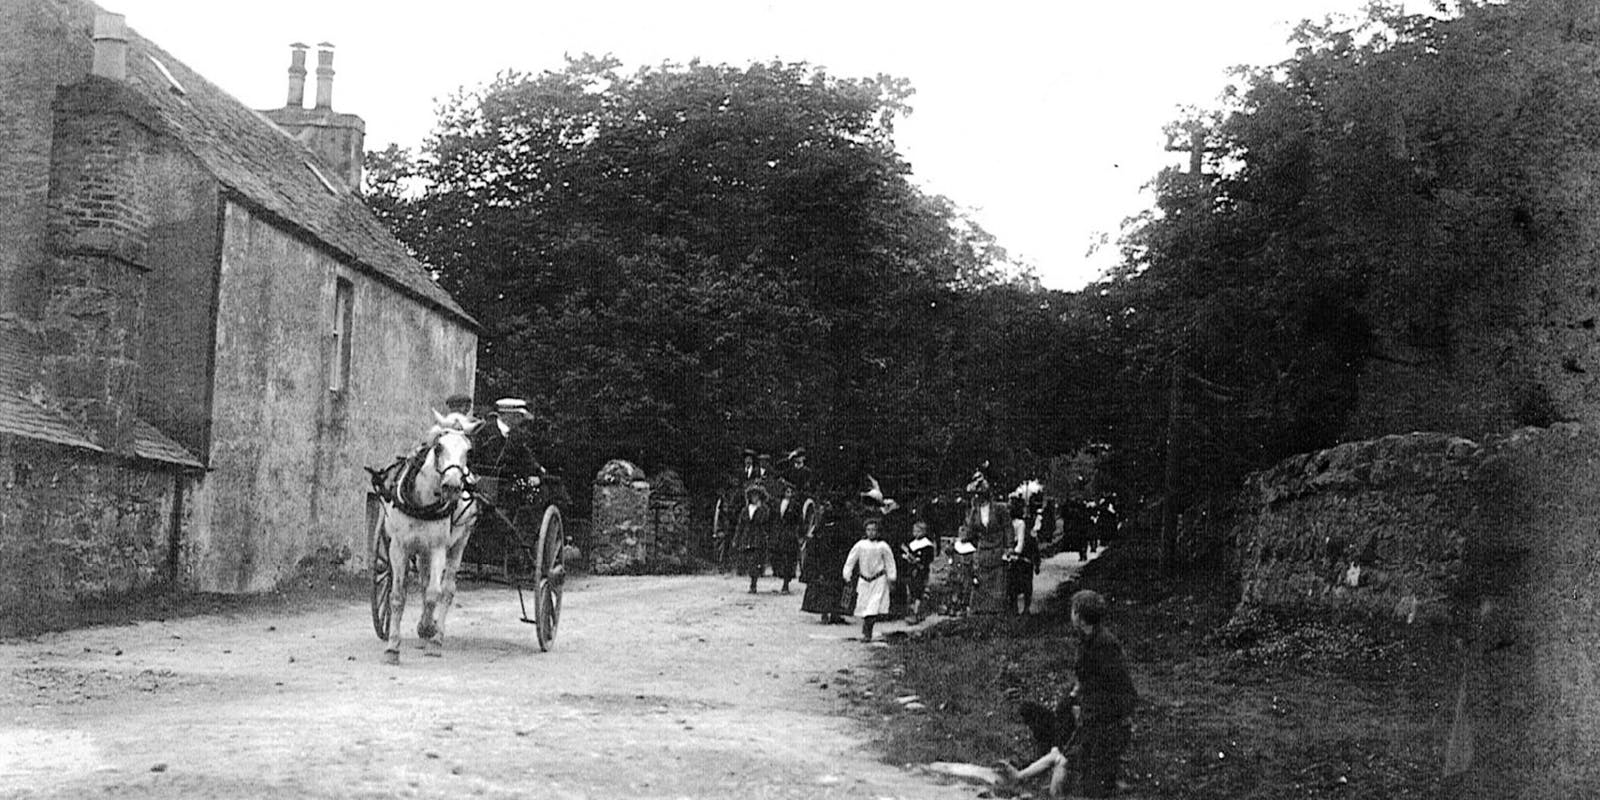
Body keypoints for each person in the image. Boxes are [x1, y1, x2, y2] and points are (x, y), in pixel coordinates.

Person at [998, 589, 1138, 798]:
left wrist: (1096, 712)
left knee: (1092, 783)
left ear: (1080, 617)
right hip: (1094, 719)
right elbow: (1087, 681)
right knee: (1071, 768)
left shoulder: (1104, 646)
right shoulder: (1089, 641)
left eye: (1073, 611)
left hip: (1107, 723)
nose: (1070, 615)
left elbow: (1118, 687)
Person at [964, 467, 1013, 616]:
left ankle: (997, 611)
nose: (978, 497)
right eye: (976, 495)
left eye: (980, 494)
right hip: (983, 550)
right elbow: (971, 532)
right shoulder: (975, 512)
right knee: (980, 580)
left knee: (997, 581)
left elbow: (1008, 528)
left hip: (997, 549)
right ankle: (980, 610)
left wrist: (1008, 547)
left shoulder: (999, 509)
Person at [800, 499, 857, 624]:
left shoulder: (836, 523)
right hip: (829, 559)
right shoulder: (828, 523)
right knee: (829, 586)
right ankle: (829, 612)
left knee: (833, 586)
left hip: (833, 559)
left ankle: (831, 612)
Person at [842, 517, 897, 643]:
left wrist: (892, 577)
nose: (871, 533)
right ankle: (865, 629)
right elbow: (851, 560)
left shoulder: (883, 546)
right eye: (868, 530)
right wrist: (847, 573)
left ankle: (868, 631)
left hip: (878, 580)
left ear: (878, 531)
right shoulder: (861, 545)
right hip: (864, 579)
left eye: (874, 530)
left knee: (874, 606)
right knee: (864, 605)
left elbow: (890, 562)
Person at [732, 483, 773, 593]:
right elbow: (740, 525)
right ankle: (751, 578)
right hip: (747, 537)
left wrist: (760, 509)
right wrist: (736, 539)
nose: (754, 498)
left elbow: (764, 521)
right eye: (752, 496)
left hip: (758, 537)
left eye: (757, 496)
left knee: (755, 560)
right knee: (748, 560)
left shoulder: (764, 510)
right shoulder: (745, 510)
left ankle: (753, 584)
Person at [770, 481, 806, 594]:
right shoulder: (778, 503)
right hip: (779, 534)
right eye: (787, 491)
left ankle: (786, 584)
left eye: (790, 492)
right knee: (779, 557)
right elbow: (774, 517)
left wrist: (799, 534)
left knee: (788, 560)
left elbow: (800, 521)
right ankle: (781, 578)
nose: (788, 494)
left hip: (790, 534)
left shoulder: (795, 506)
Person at [901, 520, 937, 624]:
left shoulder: (927, 545)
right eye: (914, 531)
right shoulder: (912, 544)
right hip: (911, 570)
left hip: (921, 571)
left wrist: (917, 561)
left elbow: (927, 559)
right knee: (911, 589)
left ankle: (917, 613)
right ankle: (911, 611)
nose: (916, 534)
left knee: (919, 590)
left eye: (918, 531)